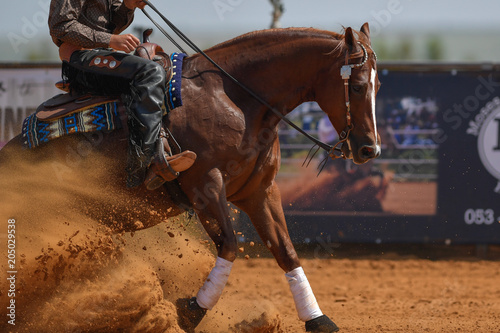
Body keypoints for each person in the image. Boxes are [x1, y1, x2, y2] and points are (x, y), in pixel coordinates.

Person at [48, 0, 195, 189]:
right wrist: (110, 40)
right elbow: (60, 26)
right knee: (150, 73)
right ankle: (143, 162)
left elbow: (112, 24)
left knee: (159, 67)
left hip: (101, 53)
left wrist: (128, 5)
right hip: (79, 58)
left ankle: (160, 144)